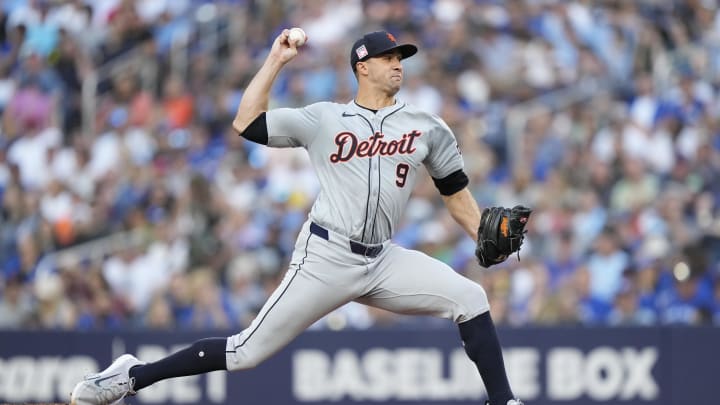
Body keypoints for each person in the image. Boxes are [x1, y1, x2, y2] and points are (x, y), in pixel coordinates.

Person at [70, 29, 524, 405]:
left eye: (401, 57)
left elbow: (454, 190)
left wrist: (480, 232)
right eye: (388, 57)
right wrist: (275, 61)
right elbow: (246, 122)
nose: (398, 63)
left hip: (382, 260)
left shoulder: (426, 125)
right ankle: (133, 376)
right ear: (361, 67)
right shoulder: (323, 118)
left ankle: (503, 401)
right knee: (246, 352)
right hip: (326, 256)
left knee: (470, 297)